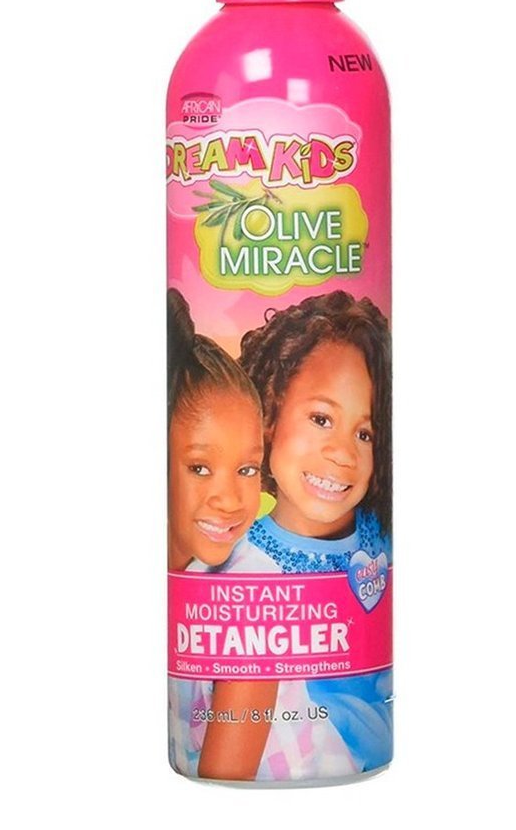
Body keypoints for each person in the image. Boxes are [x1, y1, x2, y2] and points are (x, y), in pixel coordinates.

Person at [227, 290, 394, 778]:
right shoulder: (238, 560)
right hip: (291, 756)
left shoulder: (381, 535)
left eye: (364, 433)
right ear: (269, 415)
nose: (343, 453)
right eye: (321, 419)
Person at [166, 289, 275, 779]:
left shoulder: (251, 582)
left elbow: (224, 776)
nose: (230, 500)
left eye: (248, 469)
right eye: (200, 467)